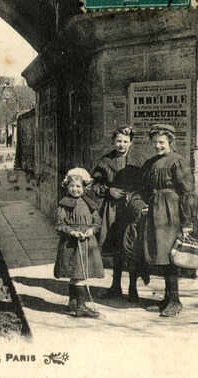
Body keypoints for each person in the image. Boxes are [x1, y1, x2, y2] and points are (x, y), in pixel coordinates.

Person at [129, 124, 197, 317]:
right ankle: (167, 299)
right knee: (160, 254)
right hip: (154, 212)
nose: (158, 146)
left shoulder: (178, 161)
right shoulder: (151, 163)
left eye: (162, 142)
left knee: (171, 255)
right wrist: (141, 204)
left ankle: (175, 301)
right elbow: (142, 188)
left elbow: (187, 193)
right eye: (155, 142)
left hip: (172, 212)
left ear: (170, 142)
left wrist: (187, 222)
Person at [92, 126, 145, 301]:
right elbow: (94, 185)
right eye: (118, 141)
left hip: (131, 209)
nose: (121, 145)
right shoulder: (105, 161)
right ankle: (115, 286)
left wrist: (134, 195)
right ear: (113, 142)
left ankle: (132, 288)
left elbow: (145, 185)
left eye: (125, 141)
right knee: (116, 247)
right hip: (112, 210)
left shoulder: (138, 160)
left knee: (131, 246)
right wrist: (108, 191)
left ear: (131, 142)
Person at [54, 168, 104, 318]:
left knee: (79, 274)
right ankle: (80, 306)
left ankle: (73, 303)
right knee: (78, 274)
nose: (75, 189)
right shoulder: (64, 204)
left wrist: (91, 230)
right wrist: (72, 232)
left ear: (85, 187)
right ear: (66, 186)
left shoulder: (90, 203)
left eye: (78, 186)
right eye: (72, 186)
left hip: (87, 243)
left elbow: (97, 222)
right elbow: (59, 224)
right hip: (72, 244)